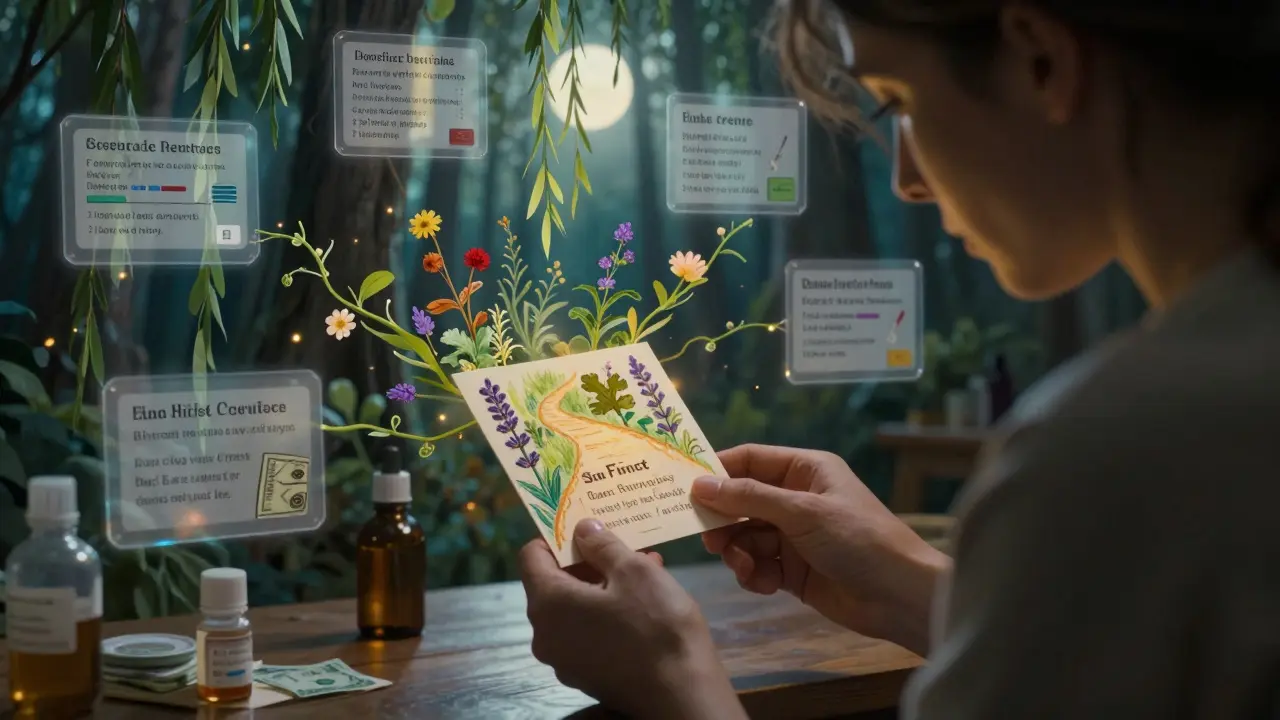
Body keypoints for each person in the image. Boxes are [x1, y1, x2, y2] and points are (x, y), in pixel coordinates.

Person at [518, 0, 1280, 717]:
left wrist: (673, 675)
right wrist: (909, 585)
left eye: (899, 101)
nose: (907, 181)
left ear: (1041, 61)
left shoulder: (1111, 450)